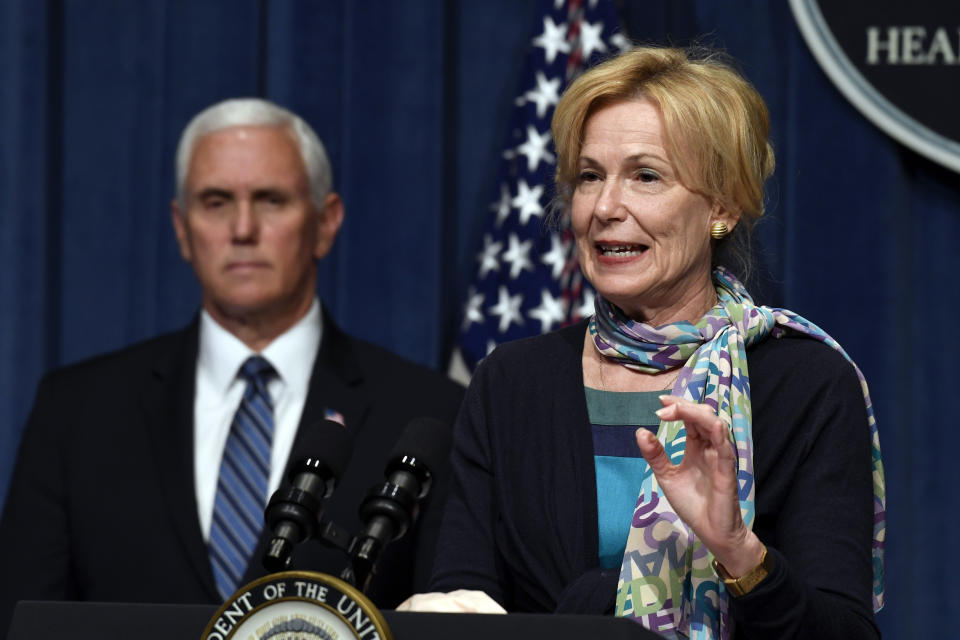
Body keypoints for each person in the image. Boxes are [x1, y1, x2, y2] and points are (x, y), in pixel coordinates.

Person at [426, 47, 885, 639]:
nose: (605, 208)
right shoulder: (512, 382)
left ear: (721, 206)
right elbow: (458, 607)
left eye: (646, 176)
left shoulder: (806, 385)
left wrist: (738, 551)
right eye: (590, 177)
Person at [0, 98, 464, 633]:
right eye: (216, 202)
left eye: (270, 200)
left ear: (326, 222)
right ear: (180, 227)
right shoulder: (77, 411)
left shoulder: (429, 415)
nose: (243, 228)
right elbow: (25, 619)